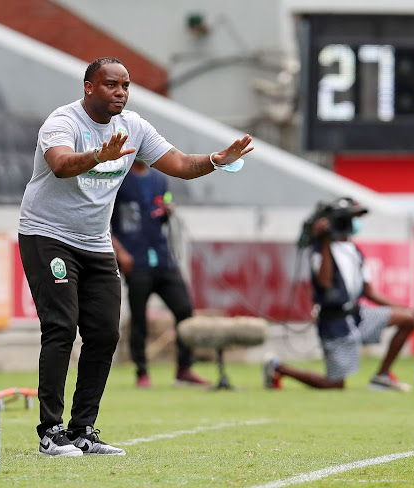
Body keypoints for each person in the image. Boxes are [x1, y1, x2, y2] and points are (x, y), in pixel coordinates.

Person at [18, 57, 253, 457]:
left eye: (125, 86)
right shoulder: (63, 122)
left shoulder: (135, 127)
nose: (121, 93)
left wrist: (216, 161)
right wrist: (97, 156)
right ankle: (51, 432)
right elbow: (59, 165)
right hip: (48, 235)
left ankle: (82, 430)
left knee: (106, 332)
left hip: (95, 241)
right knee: (61, 326)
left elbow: (178, 164)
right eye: (111, 85)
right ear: (89, 87)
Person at [263, 197, 414, 391]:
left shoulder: (354, 250)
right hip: (335, 323)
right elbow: (325, 282)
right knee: (335, 385)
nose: (354, 223)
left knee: (410, 318)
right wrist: (326, 241)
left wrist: (402, 307)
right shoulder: (319, 251)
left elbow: (369, 292)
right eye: (349, 218)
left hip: (358, 315)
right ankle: (278, 368)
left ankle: (382, 376)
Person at [111, 159, 210, 389]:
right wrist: (121, 252)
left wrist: (167, 211)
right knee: (139, 318)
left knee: (184, 309)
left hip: (162, 257)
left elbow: (161, 206)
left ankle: (184, 369)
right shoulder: (118, 179)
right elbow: (104, 219)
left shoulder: (159, 179)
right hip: (136, 259)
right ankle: (142, 372)